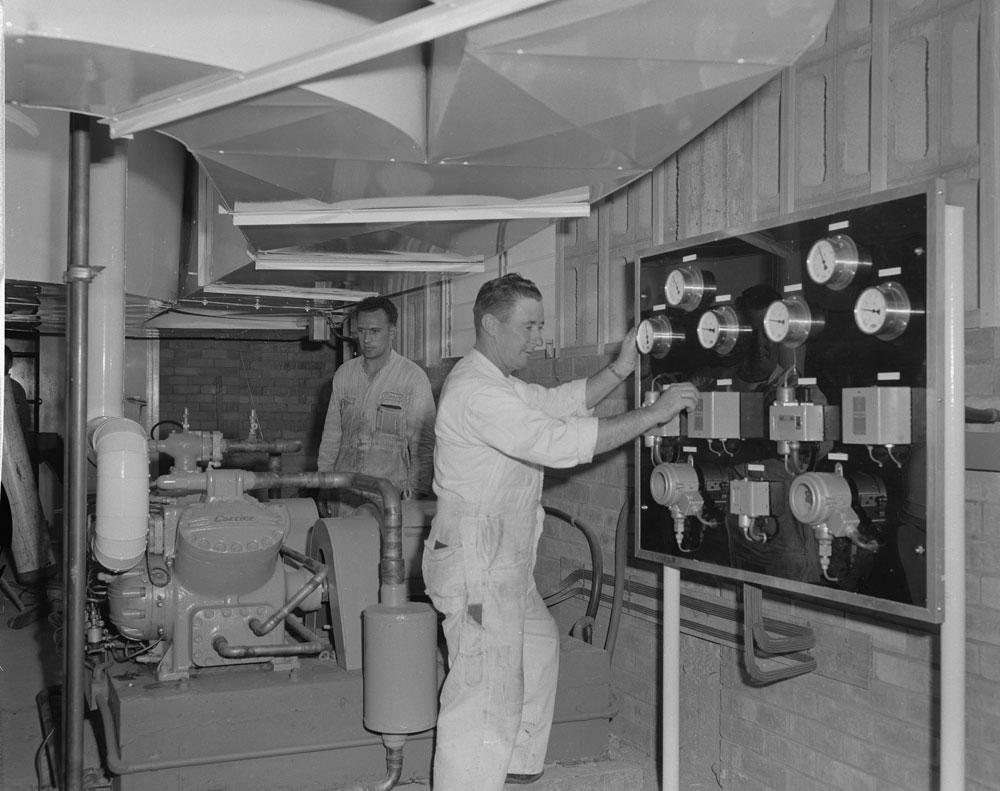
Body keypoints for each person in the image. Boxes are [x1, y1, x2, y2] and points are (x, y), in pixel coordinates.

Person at [422, 273, 698, 791]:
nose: (536, 338)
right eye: (527, 327)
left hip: (503, 561)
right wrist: (653, 414)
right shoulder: (476, 392)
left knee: (538, 647)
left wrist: (619, 369)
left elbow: (556, 403)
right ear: (490, 324)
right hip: (478, 564)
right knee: (483, 695)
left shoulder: (499, 383)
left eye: (540, 326)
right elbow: (556, 440)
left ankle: (517, 770)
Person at [317, 296, 436, 505]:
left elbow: (423, 445)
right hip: (346, 496)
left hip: (389, 499)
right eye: (361, 331)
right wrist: (324, 485)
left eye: (374, 331)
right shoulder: (345, 374)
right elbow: (331, 437)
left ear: (392, 331)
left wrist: (415, 492)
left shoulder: (412, 378)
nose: (366, 339)